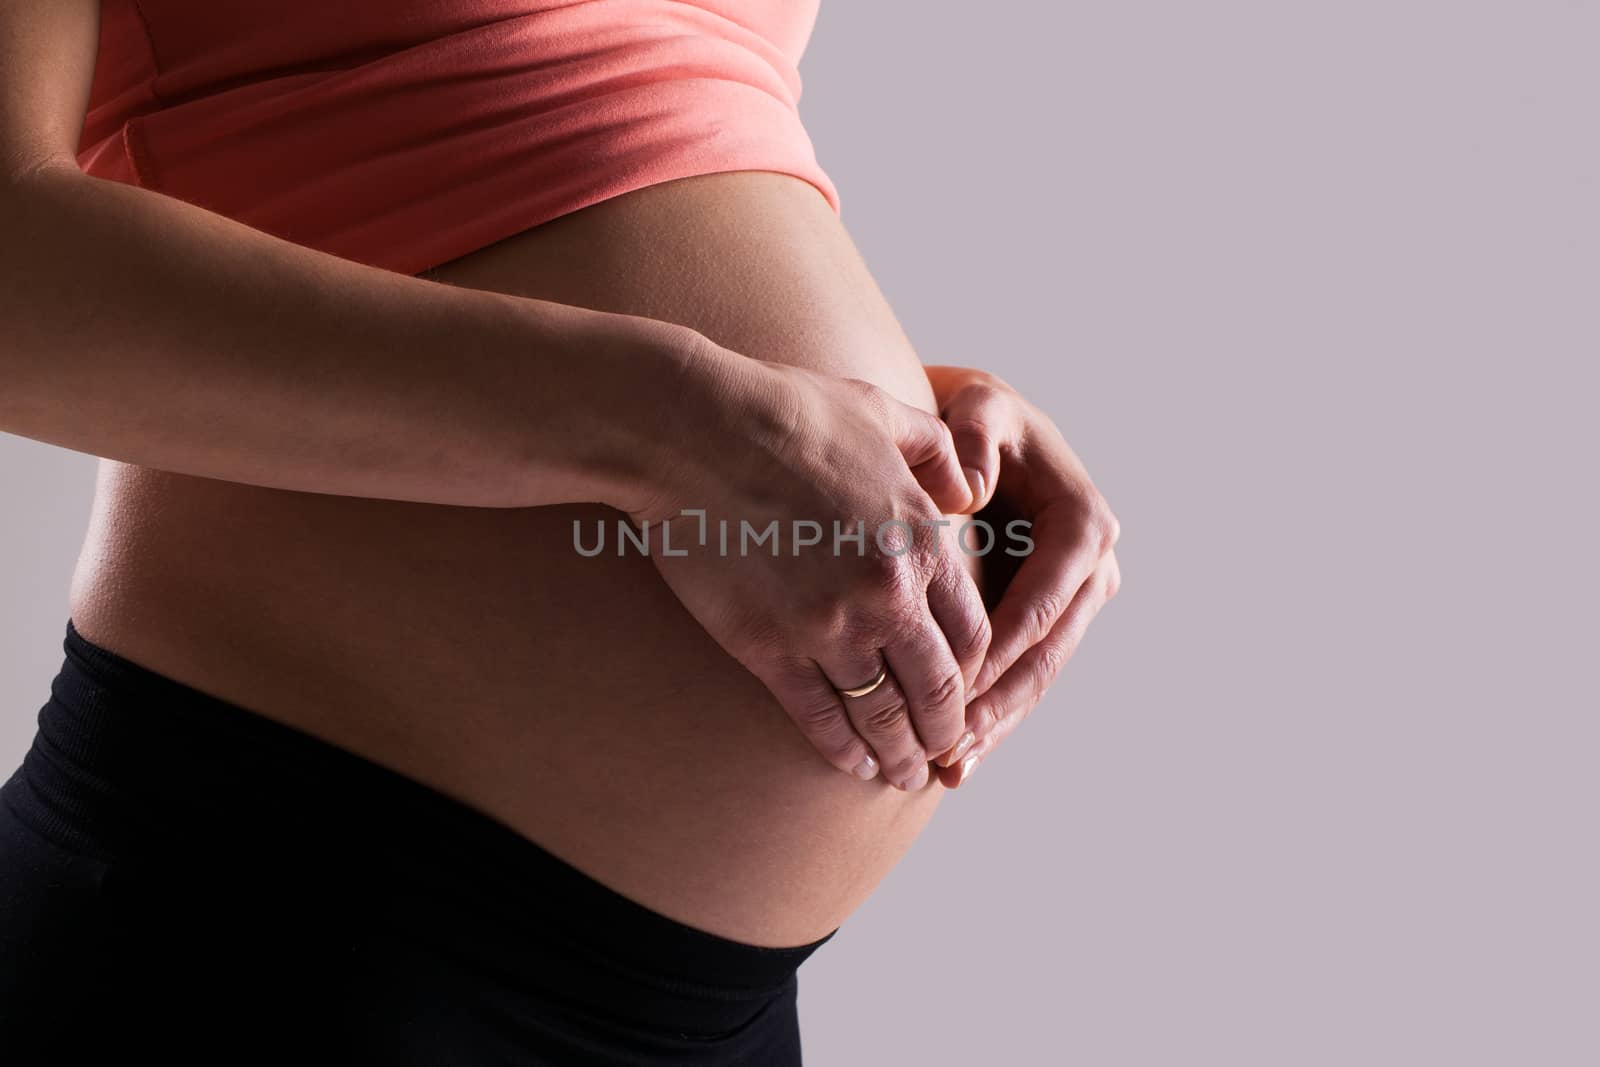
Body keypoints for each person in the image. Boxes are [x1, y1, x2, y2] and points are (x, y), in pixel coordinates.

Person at [0, 1, 1120, 1062]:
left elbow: (609, 133)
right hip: (269, 917)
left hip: (703, 1002)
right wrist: (669, 429)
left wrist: (915, 436)